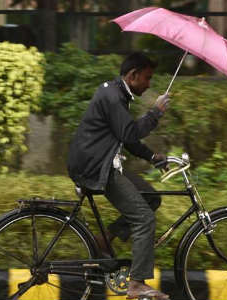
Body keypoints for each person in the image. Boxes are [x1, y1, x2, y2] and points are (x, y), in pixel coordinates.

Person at [67, 52, 171, 300]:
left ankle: (104, 240)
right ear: (133, 76)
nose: (148, 84)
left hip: (101, 163)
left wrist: (153, 157)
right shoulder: (114, 97)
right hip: (96, 167)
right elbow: (129, 134)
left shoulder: (117, 93)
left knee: (150, 198)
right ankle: (136, 284)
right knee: (144, 219)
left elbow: (127, 137)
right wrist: (155, 112)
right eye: (147, 78)